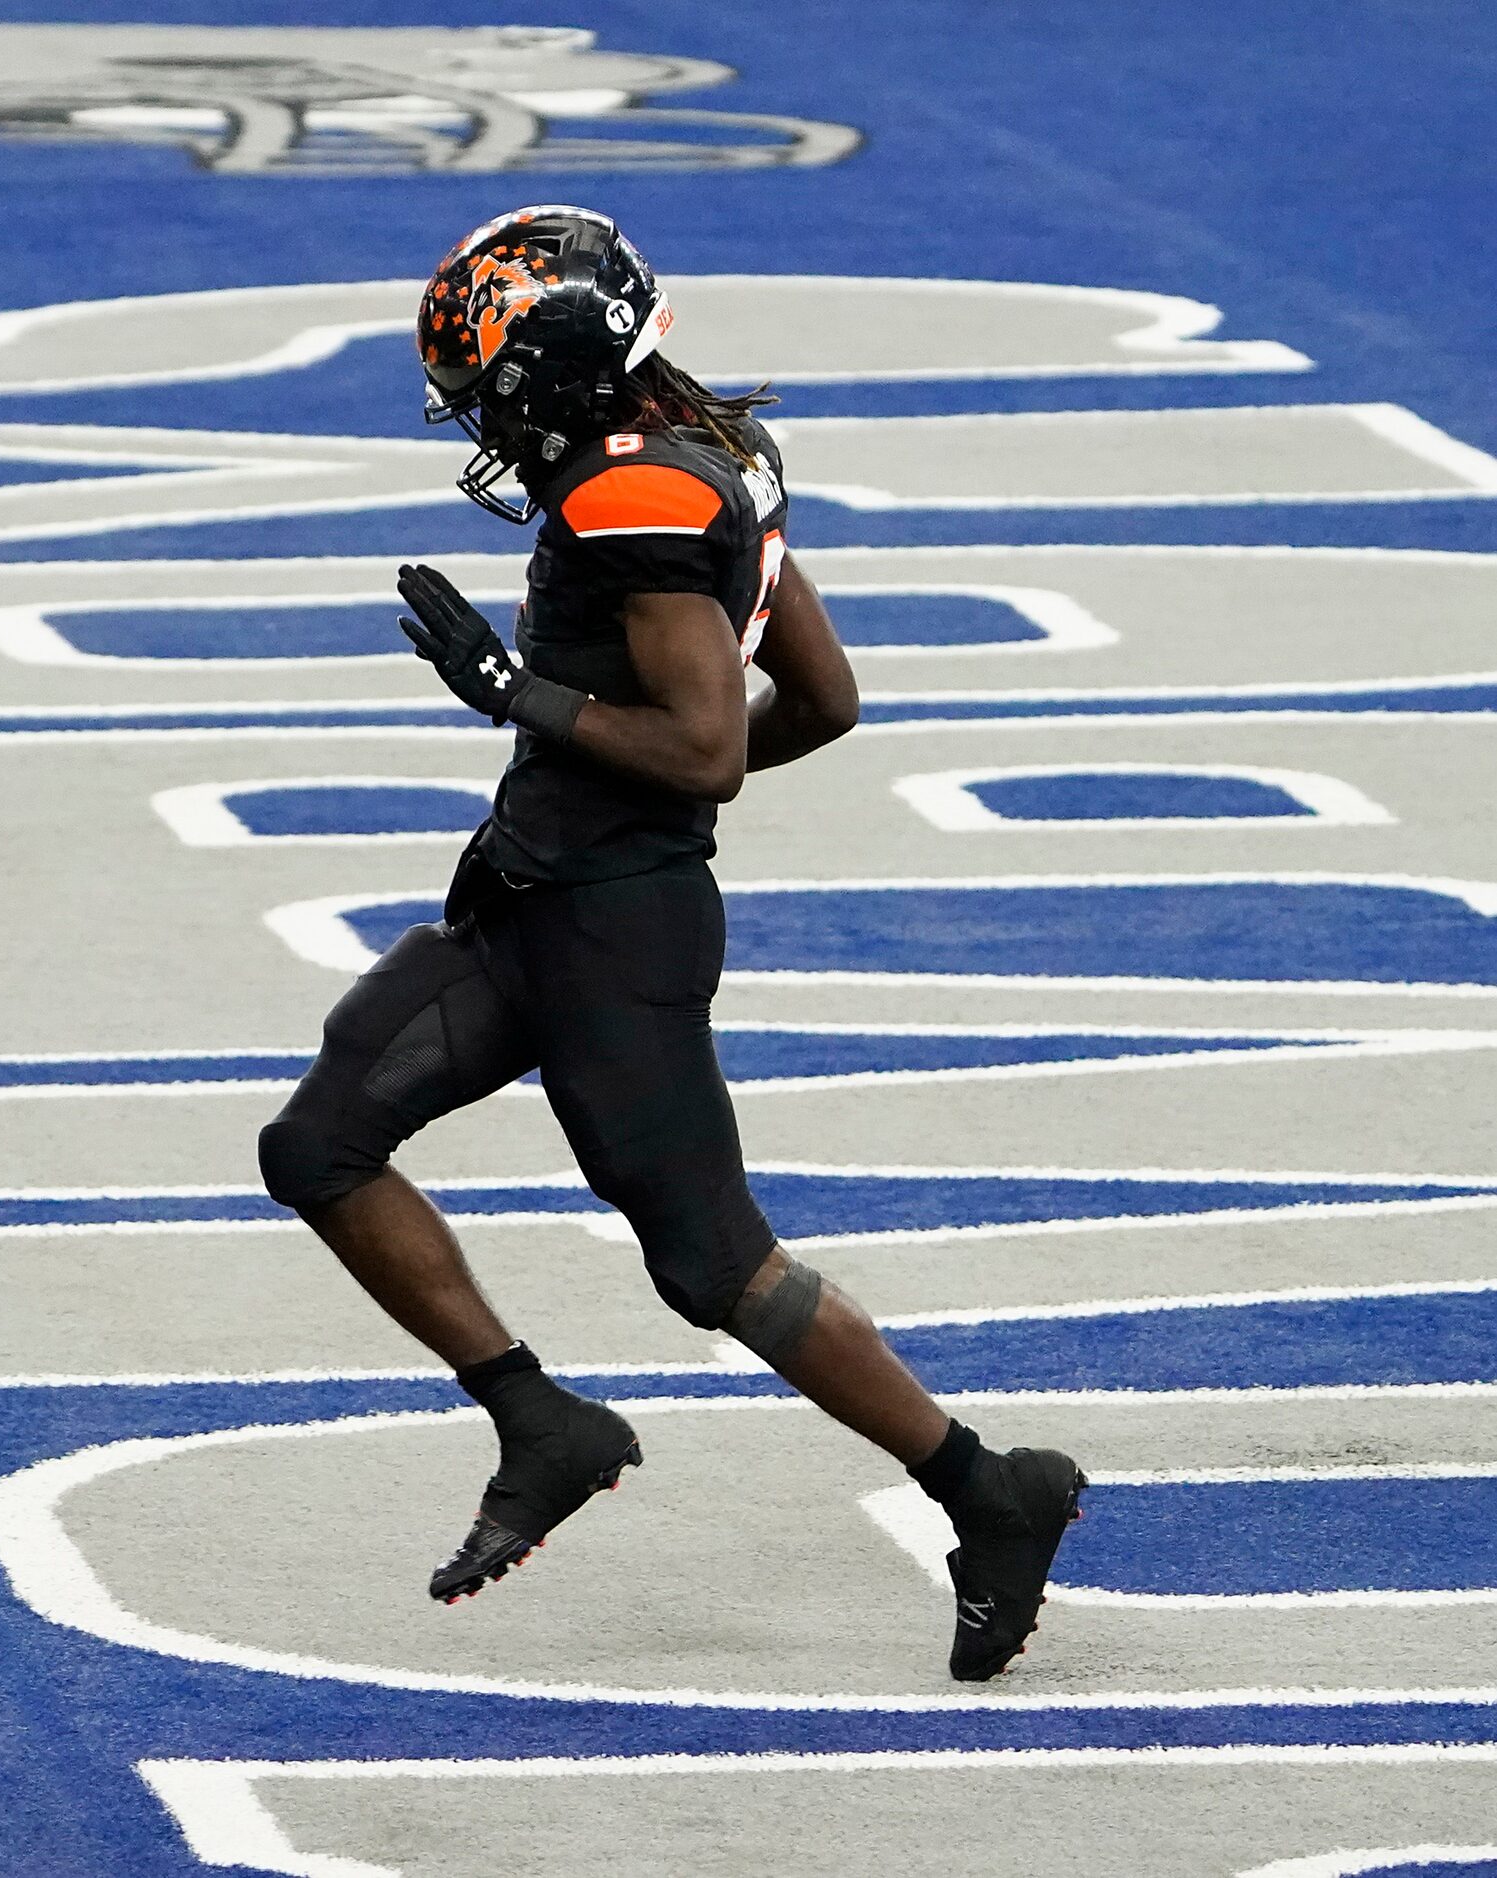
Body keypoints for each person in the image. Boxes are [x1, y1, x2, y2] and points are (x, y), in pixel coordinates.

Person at [255, 205, 1084, 1681]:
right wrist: (590, 802)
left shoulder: (628, 500)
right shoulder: (717, 451)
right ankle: (535, 1416)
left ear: (560, 378)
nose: (482, 426)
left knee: (713, 1262)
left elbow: (705, 745)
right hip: (537, 896)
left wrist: (518, 696)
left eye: (494, 394)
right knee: (316, 1140)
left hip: (609, 934)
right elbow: (820, 699)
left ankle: (985, 1487)